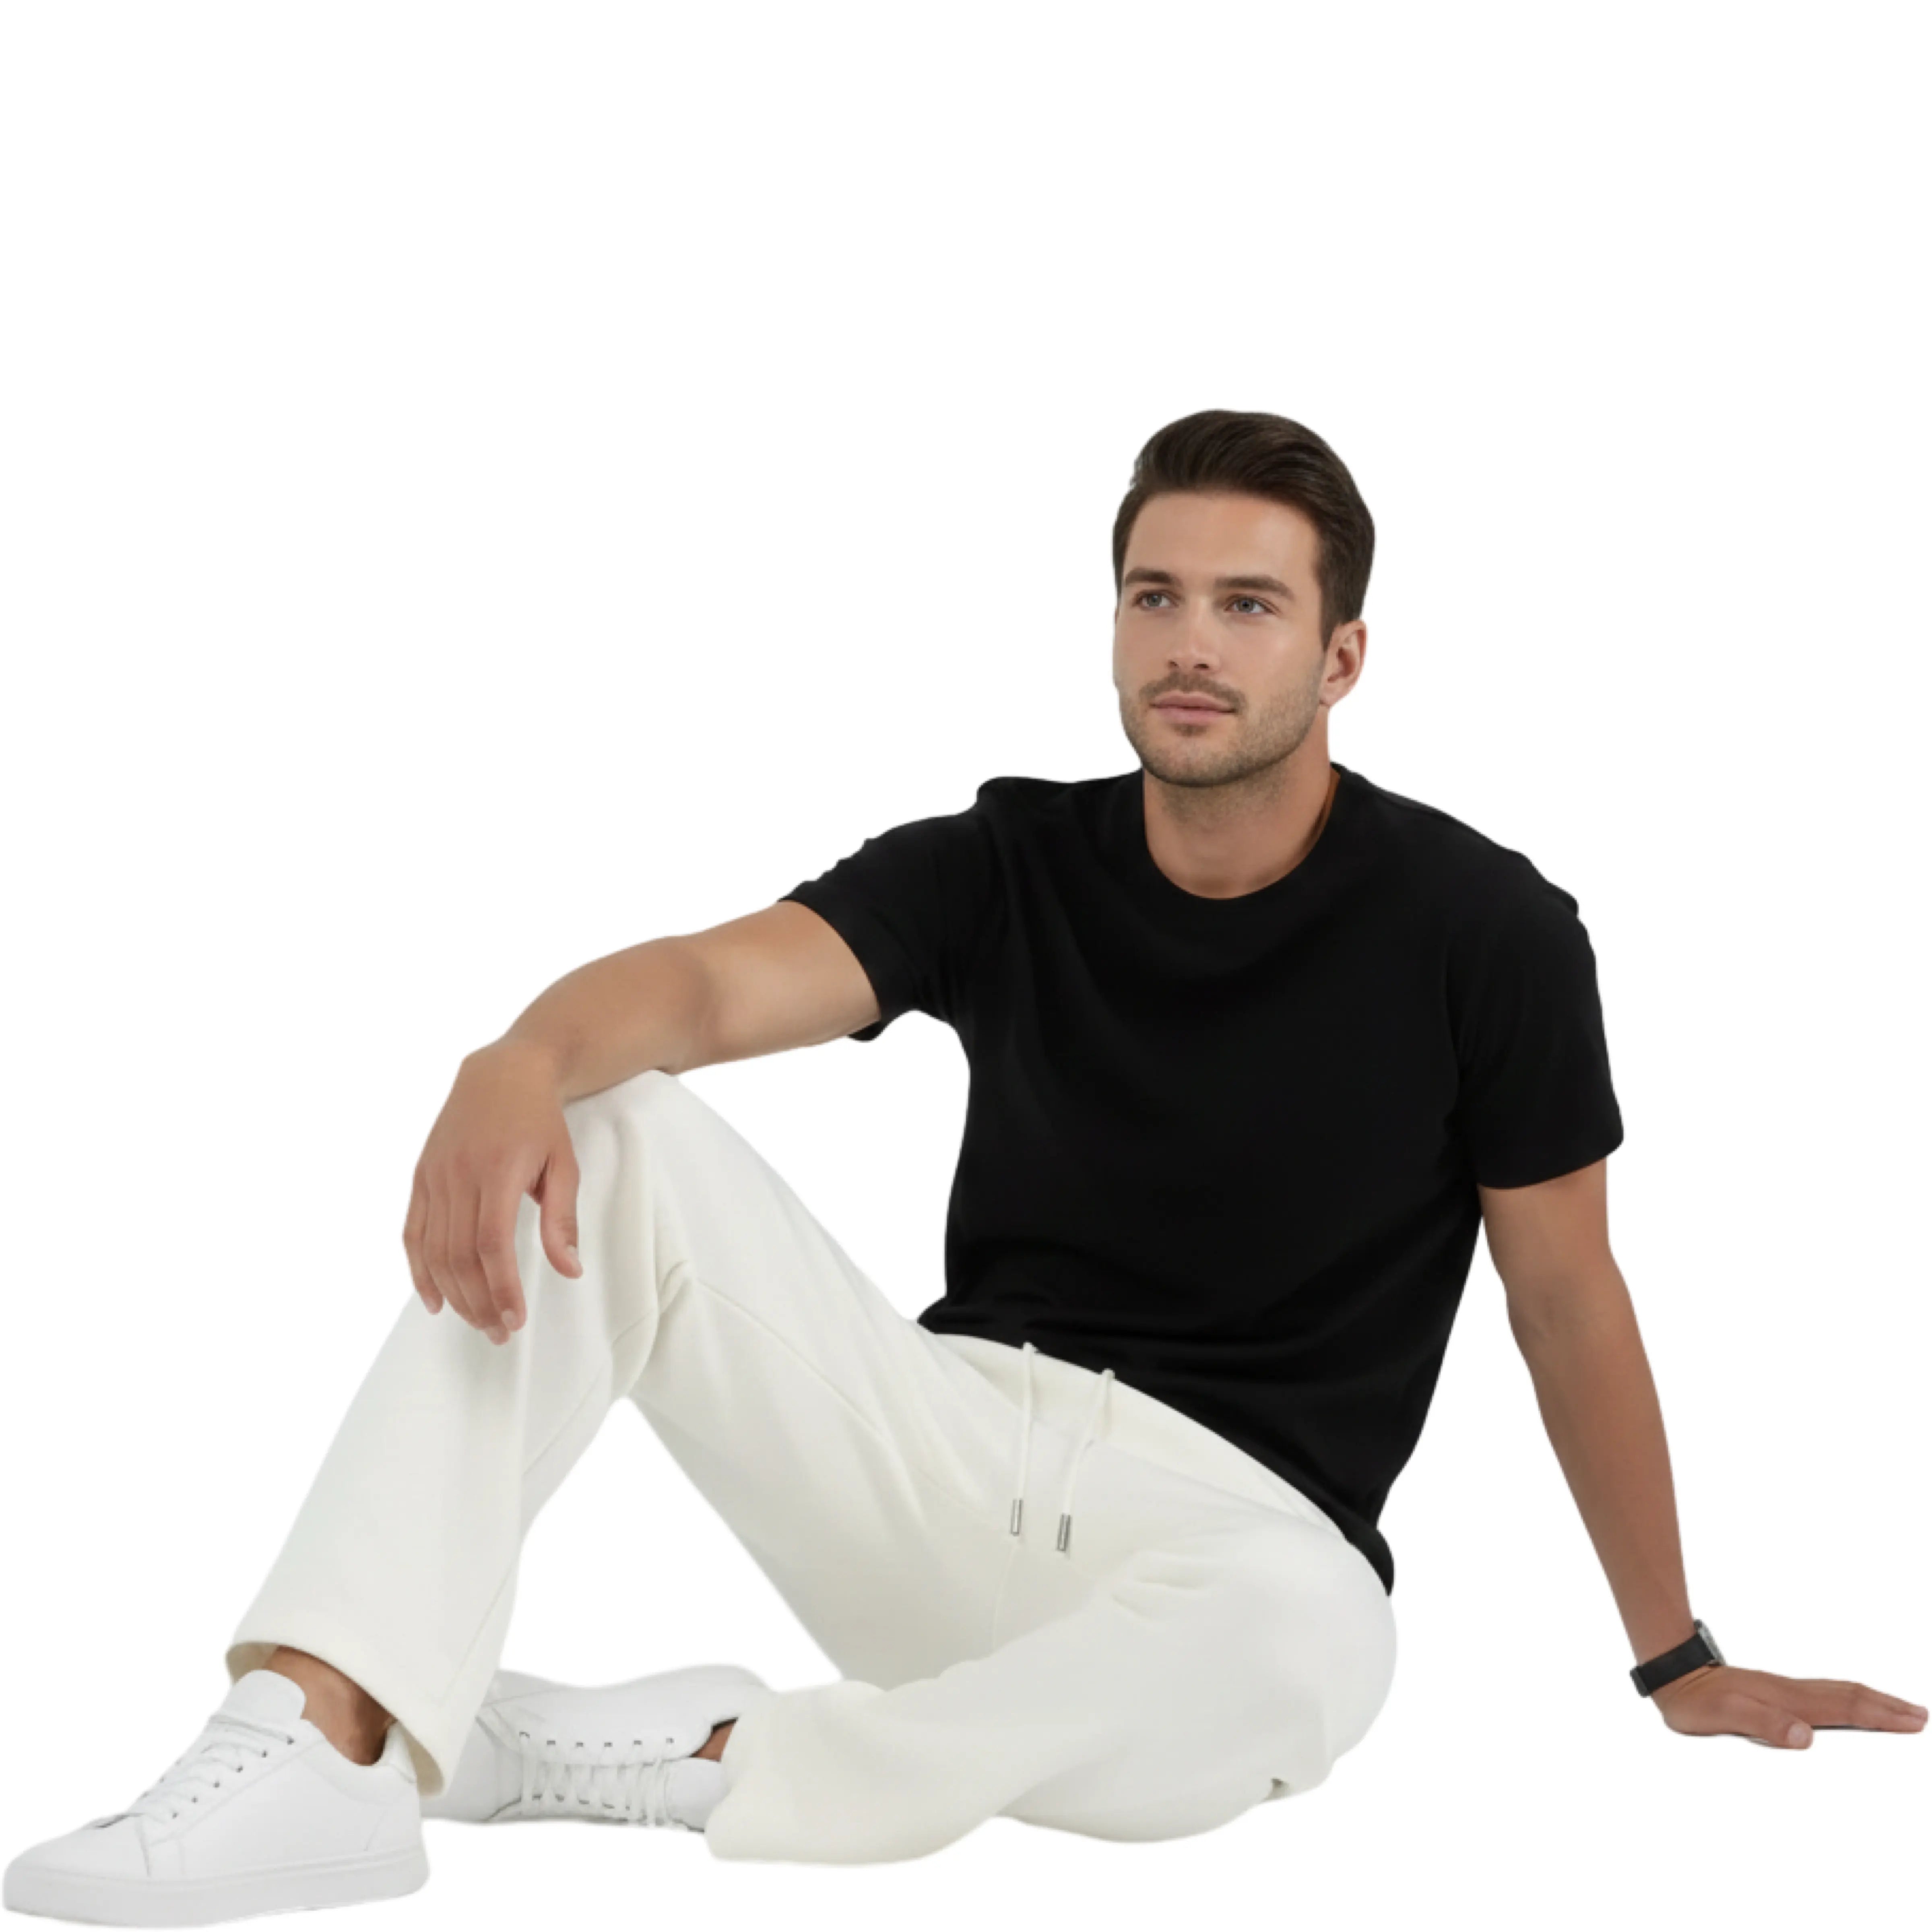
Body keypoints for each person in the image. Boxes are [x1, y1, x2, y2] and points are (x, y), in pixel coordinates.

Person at [9, 409, 1923, 1926]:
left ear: (1344, 651)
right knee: (609, 1122)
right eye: (1154, 596)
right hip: (945, 1453)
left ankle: (674, 1753)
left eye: (1247, 606)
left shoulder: (1486, 933)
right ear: (1110, 622)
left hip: (1229, 1547)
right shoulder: (1008, 863)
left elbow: (1564, 1294)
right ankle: (325, 1726)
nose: (1191, 644)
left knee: (1325, 1643)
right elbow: (699, 981)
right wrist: (511, 1056)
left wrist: (1674, 1653)